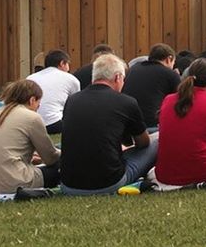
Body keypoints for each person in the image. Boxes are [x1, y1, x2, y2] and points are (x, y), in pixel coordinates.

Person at [59, 54, 157, 195]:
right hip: (108, 183)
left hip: (69, 185)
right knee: (157, 141)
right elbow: (143, 143)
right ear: (118, 77)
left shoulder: (72, 100)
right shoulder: (126, 102)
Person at [0, 79, 60, 197]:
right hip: (11, 185)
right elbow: (51, 158)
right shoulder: (32, 117)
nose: (38, 107)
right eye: (38, 104)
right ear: (32, 100)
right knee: (59, 168)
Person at [119, 43, 181, 131]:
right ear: (169, 59)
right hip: (152, 126)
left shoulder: (133, 69)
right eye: (173, 63)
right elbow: (180, 102)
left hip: (127, 124)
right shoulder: (170, 74)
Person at [26, 50, 79, 134]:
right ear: (62, 63)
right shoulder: (71, 78)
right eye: (68, 64)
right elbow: (76, 105)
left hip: (30, 123)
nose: (68, 68)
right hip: (55, 124)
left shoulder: (30, 78)